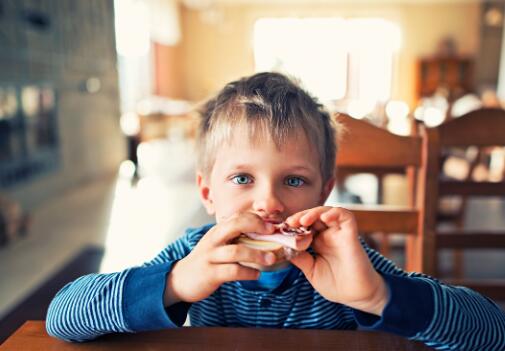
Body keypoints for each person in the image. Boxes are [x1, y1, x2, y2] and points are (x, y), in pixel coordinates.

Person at [46, 72, 505, 350]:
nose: (268, 202)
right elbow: (62, 317)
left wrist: (377, 296)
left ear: (324, 191)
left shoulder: (346, 263)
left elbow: (493, 333)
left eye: (294, 180)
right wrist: (176, 283)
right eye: (243, 179)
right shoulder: (194, 257)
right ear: (207, 192)